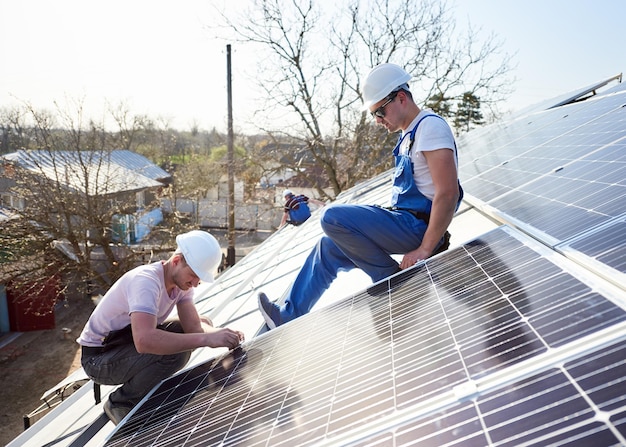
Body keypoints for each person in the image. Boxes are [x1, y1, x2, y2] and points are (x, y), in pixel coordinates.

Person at [258, 63, 463, 329]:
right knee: (328, 247)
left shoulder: (430, 128)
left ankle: (391, 282)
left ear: (401, 97)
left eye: (380, 111)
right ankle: (287, 315)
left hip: (420, 229)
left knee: (332, 218)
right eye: (374, 114)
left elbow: (447, 194)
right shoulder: (408, 135)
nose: (378, 120)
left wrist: (424, 249)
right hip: (404, 222)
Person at [77, 230, 244, 425]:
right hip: (99, 359)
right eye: (194, 275)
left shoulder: (180, 284)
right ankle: (121, 401)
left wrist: (221, 334)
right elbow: (145, 341)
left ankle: (145, 386)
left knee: (203, 322)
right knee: (175, 353)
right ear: (176, 261)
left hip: (123, 345)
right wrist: (206, 339)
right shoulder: (146, 282)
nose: (196, 284)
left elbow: (194, 327)